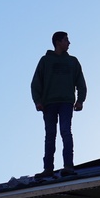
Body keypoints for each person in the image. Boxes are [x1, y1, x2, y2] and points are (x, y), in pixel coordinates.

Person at [31, 31, 87, 178]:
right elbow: (36, 82)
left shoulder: (73, 61)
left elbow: (80, 82)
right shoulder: (45, 61)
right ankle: (48, 168)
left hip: (66, 103)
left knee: (65, 132)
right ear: (58, 42)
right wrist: (37, 101)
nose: (69, 43)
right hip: (49, 103)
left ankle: (68, 165)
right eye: (66, 40)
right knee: (50, 135)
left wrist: (80, 100)